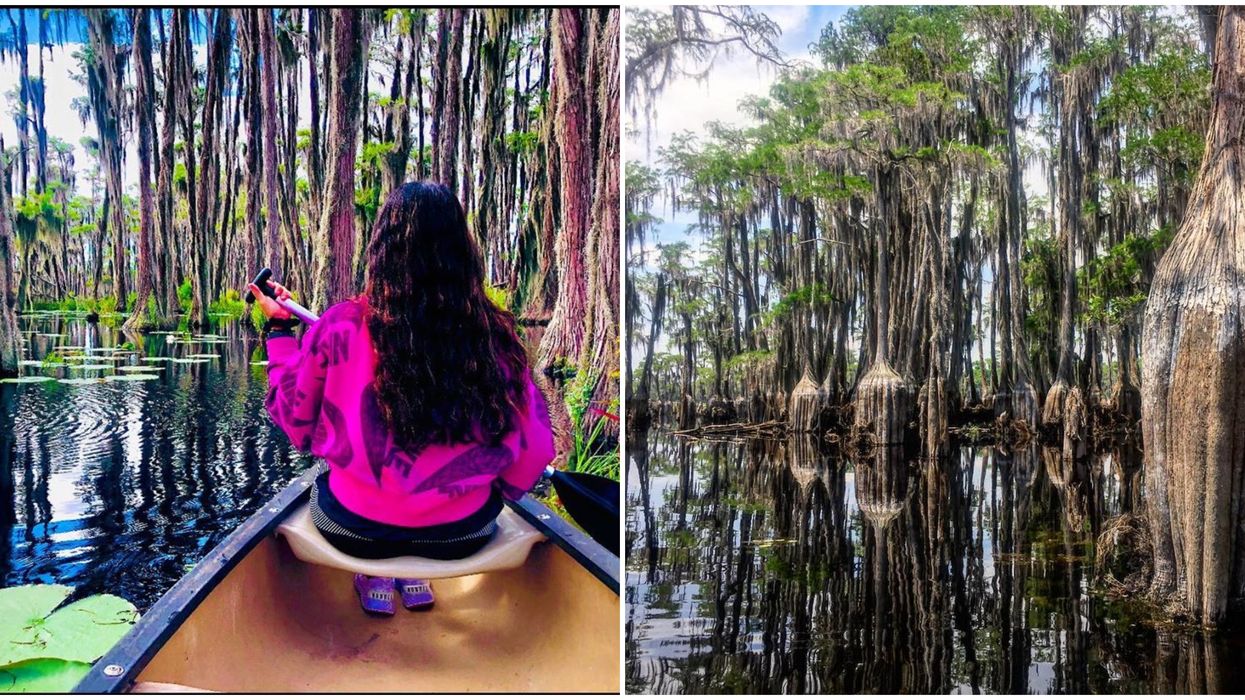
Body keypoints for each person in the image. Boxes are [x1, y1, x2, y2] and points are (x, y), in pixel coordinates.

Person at [250, 181, 556, 616]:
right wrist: (499, 489)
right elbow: (536, 447)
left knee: (330, 486)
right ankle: (414, 576)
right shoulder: (494, 335)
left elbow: (293, 417)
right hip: (461, 535)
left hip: (354, 530)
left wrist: (280, 331)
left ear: (381, 251)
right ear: (462, 251)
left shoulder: (340, 325)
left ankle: (375, 576)